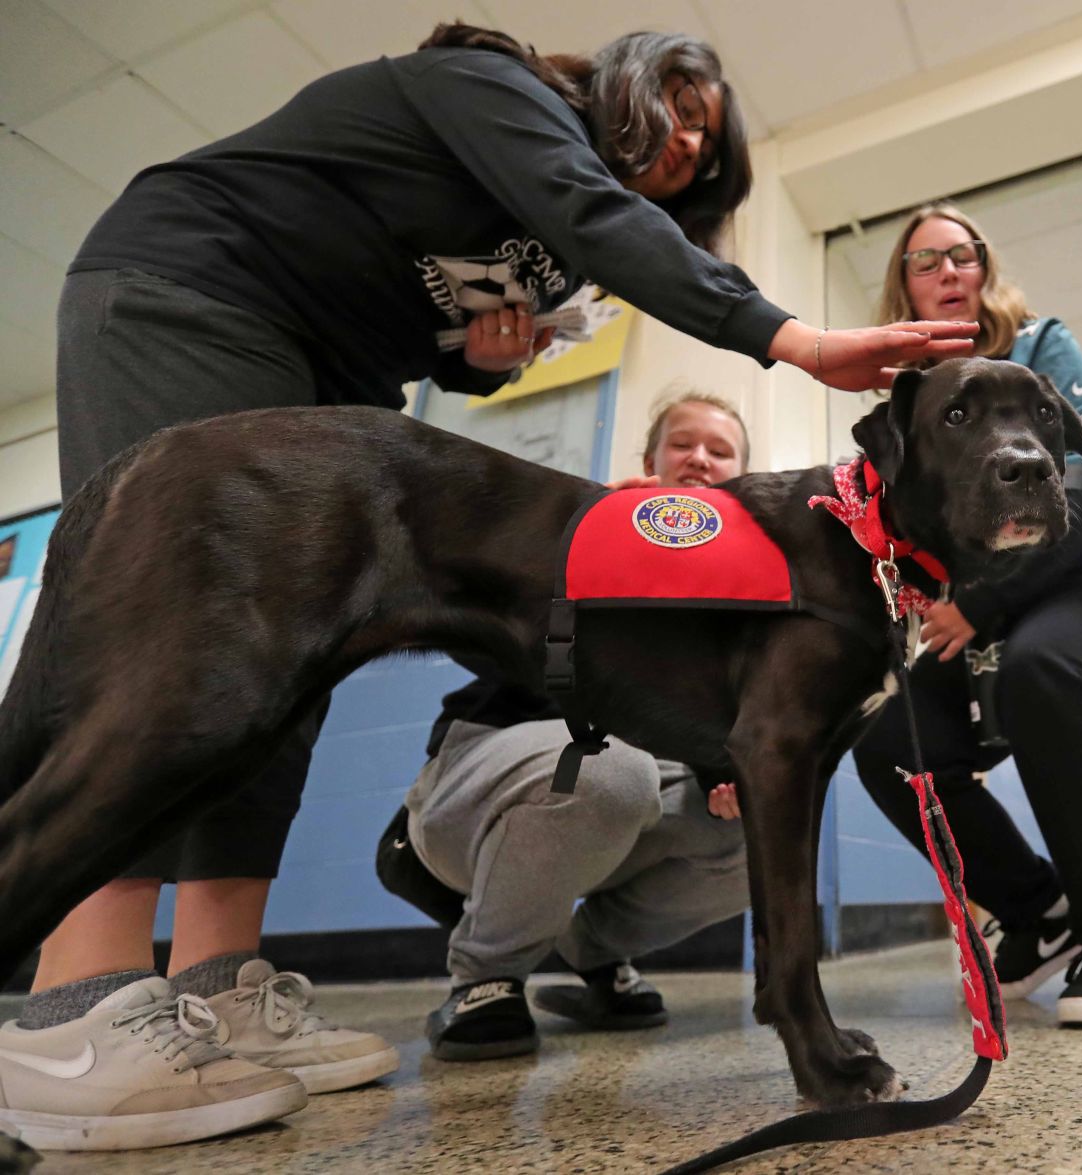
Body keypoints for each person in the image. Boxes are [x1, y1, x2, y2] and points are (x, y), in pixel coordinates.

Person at [0, 22, 973, 1153]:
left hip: (331, 363)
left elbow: (465, 301)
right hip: (198, 291)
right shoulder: (489, 84)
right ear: (614, 83)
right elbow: (593, 213)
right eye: (680, 104)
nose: (685, 141)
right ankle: (77, 1007)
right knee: (182, 679)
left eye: (704, 148)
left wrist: (475, 359)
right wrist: (791, 338)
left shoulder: (544, 256)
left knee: (271, 691)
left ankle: (221, 987)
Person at [852, 203, 1082, 1028]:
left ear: (983, 270)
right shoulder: (906, 400)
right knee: (888, 743)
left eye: (961, 255)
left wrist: (979, 600)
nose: (945, 271)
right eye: (924, 259)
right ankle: (1041, 914)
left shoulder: (1040, 348)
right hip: (984, 623)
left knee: (1046, 665)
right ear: (903, 281)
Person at [378, 391, 753, 1060]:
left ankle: (588, 952)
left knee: (769, 825)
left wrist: (729, 762)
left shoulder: (741, 598)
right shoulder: (582, 530)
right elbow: (467, 618)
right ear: (649, 463)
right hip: (491, 781)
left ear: (744, 479)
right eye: (683, 445)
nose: (699, 459)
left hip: (618, 801)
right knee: (608, 765)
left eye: (720, 451)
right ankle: (484, 976)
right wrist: (584, 538)